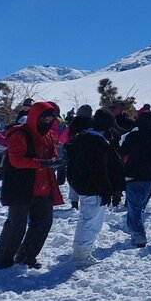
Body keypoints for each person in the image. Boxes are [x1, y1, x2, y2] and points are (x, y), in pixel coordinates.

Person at [0, 102, 64, 269]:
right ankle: (2, 260)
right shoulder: (20, 134)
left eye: (50, 118)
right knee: (16, 225)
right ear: (35, 117)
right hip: (21, 187)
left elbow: (51, 151)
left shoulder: (47, 135)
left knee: (43, 223)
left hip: (43, 187)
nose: (47, 121)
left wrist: (54, 160)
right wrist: (41, 163)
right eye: (44, 118)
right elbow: (16, 160)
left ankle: (26, 256)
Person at [64, 109, 124, 265]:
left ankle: (80, 252)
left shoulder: (81, 138)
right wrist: (106, 190)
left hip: (84, 186)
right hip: (94, 188)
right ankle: (82, 255)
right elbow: (99, 169)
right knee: (91, 222)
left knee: (86, 219)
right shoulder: (97, 143)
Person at [117, 110, 151, 248]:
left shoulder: (133, 136)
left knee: (134, 207)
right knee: (140, 206)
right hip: (149, 177)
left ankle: (138, 235)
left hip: (132, 175)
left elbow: (122, 152)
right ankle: (136, 231)